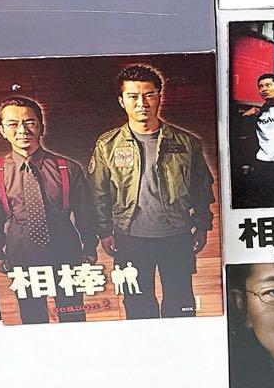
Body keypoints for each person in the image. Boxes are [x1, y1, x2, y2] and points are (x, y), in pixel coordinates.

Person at [89, 63, 214, 319]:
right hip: (129, 237)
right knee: (137, 304)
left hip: (177, 235)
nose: (141, 103)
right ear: (122, 101)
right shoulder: (107, 145)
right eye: (132, 96)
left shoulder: (186, 142)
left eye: (149, 95)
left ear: (159, 97)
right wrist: (104, 231)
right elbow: (98, 192)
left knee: (181, 303)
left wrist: (202, 226)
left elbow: (201, 189)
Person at [0, 95, 96, 324]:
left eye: (30, 122)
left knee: (72, 312)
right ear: (2, 130)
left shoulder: (68, 168)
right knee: (32, 317)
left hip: (64, 245)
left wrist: (90, 246)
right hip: (21, 248)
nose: (22, 130)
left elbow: (84, 213)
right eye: (13, 124)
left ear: (41, 126)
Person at [231, 73, 274, 208]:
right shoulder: (257, 113)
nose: (264, 89)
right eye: (260, 87)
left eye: (268, 85)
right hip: (262, 164)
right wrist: (244, 115)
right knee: (263, 201)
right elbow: (233, 131)